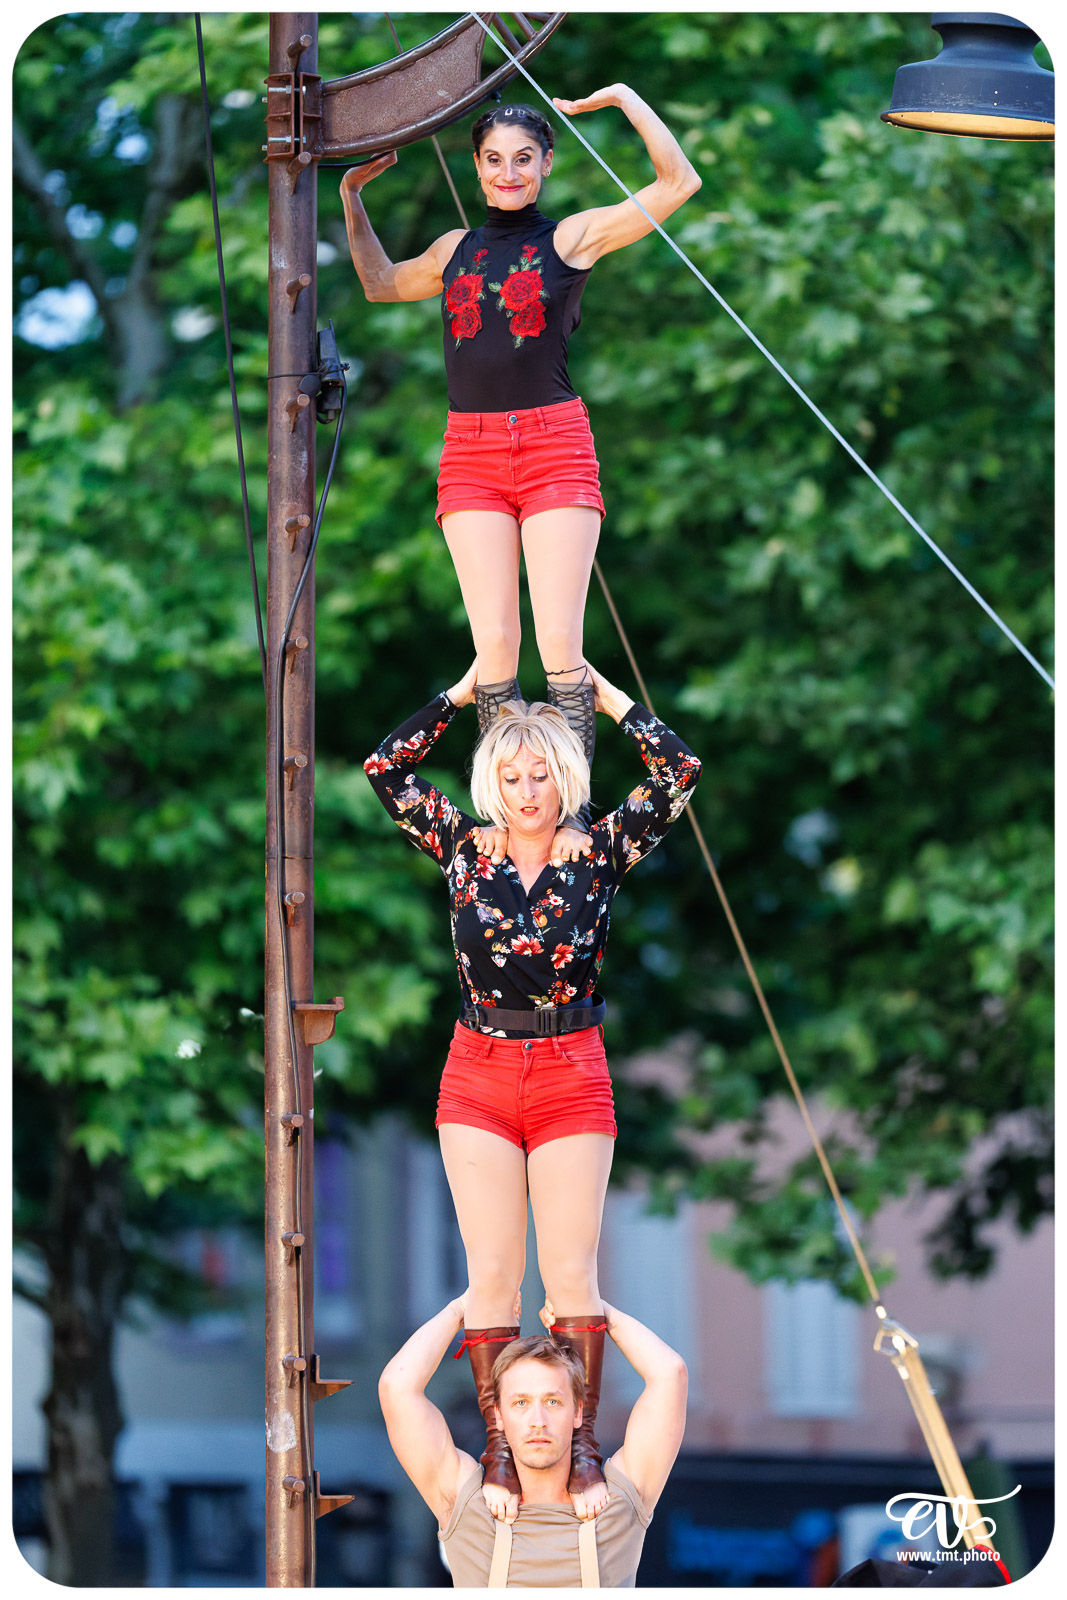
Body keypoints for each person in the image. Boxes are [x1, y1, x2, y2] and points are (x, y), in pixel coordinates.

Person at [363, 661, 701, 1522]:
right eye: (510, 775)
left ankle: (582, 1445)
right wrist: (463, 693)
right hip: (477, 1068)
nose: (525, 789)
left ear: (565, 775)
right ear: (492, 781)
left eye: (540, 771)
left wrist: (606, 693)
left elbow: (679, 772)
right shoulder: (461, 850)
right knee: (492, 1275)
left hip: (570, 1069)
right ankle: (501, 1452)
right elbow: (384, 769)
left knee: (570, 1271)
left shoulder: (600, 850)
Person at [341, 88, 701, 763]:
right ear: (476, 167)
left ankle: (571, 811)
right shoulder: (455, 248)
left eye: (523, 159)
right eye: (494, 160)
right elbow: (380, 283)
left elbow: (679, 182)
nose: (508, 173)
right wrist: (351, 198)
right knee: (495, 650)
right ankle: (513, 813)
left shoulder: (570, 237)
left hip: (552, 446)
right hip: (469, 454)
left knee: (559, 646)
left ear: (546, 164)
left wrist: (623, 98)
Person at [378, 1294, 688, 1587]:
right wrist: (461, 1309)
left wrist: (595, 1310)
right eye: (521, 1403)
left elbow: (670, 1374)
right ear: (497, 1415)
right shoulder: (469, 1506)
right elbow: (397, 1387)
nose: (538, 1420)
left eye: (552, 1402)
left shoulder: (615, 1503)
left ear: (578, 1412)